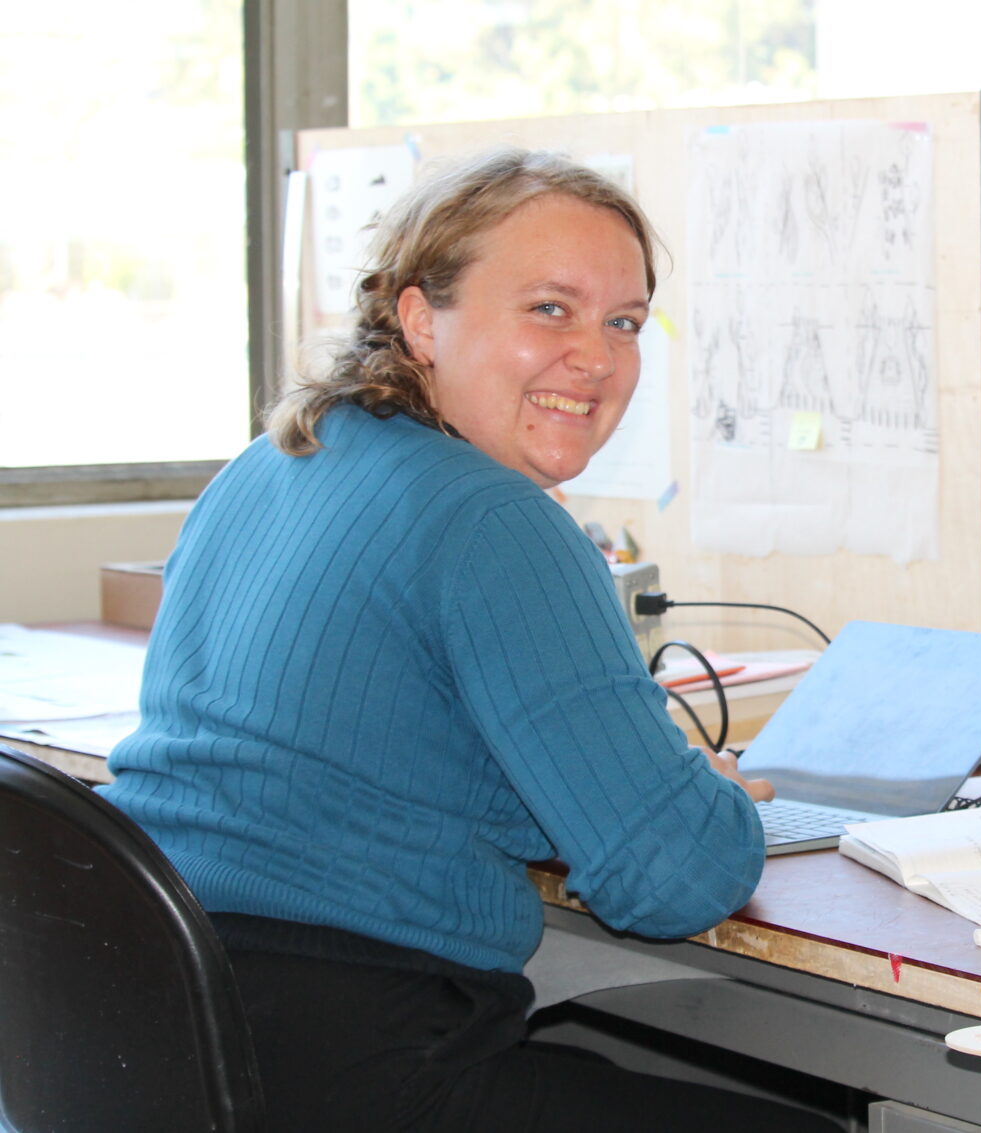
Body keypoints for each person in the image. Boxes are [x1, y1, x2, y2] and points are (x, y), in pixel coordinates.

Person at [100, 148, 836, 1132]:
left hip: (157, 1028)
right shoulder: (495, 523)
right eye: (549, 309)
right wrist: (697, 792)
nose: (598, 356)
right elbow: (670, 880)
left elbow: (381, 754)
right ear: (419, 318)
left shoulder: (277, 460)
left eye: (622, 321)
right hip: (347, 1063)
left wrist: (618, 781)